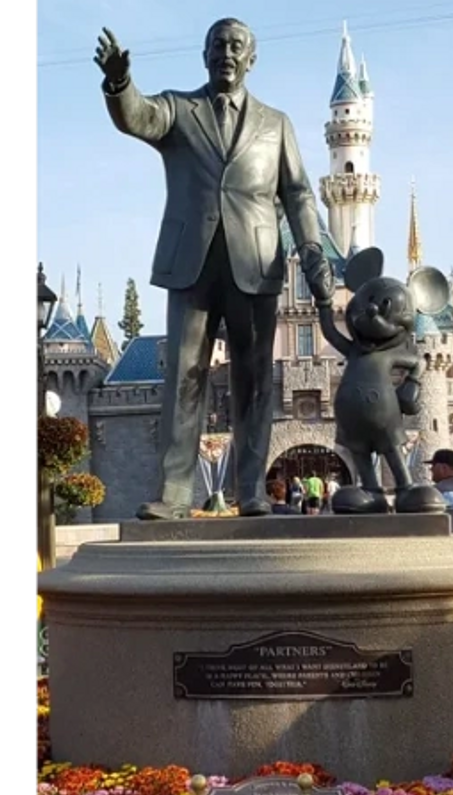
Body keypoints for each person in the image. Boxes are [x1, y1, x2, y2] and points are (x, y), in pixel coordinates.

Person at [94, 20, 335, 520]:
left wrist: (311, 250)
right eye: (219, 45)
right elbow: (138, 117)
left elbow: (298, 194)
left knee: (253, 381)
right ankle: (176, 492)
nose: (227, 53)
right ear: (204, 55)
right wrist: (120, 85)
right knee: (184, 375)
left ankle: (250, 489)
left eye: (237, 46)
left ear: (251, 59)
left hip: (256, 263)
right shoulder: (180, 110)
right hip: (192, 262)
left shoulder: (276, 124)